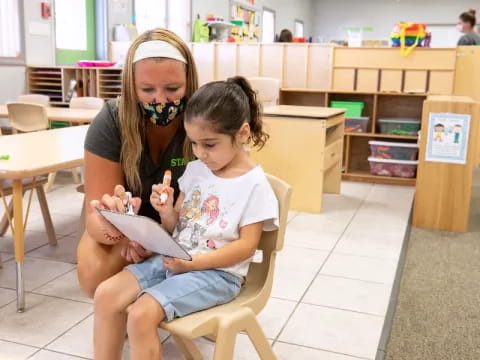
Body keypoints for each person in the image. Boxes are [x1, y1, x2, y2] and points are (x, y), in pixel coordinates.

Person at [93, 76, 279, 360]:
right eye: (193, 143)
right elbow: (177, 225)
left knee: (142, 314)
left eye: (209, 144)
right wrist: (166, 210)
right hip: (177, 258)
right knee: (106, 294)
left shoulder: (255, 186)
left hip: (218, 274)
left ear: (242, 134)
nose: (200, 153)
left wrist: (192, 263)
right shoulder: (195, 170)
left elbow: (246, 248)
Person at [76, 28, 199, 298]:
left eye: (173, 89)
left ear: (189, 82)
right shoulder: (112, 121)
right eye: (147, 89)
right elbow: (94, 220)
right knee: (93, 273)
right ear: (131, 87)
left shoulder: (204, 120)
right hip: (132, 230)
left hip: (186, 228)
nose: (161, 100)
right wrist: (112, 225)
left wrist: (163, 240)